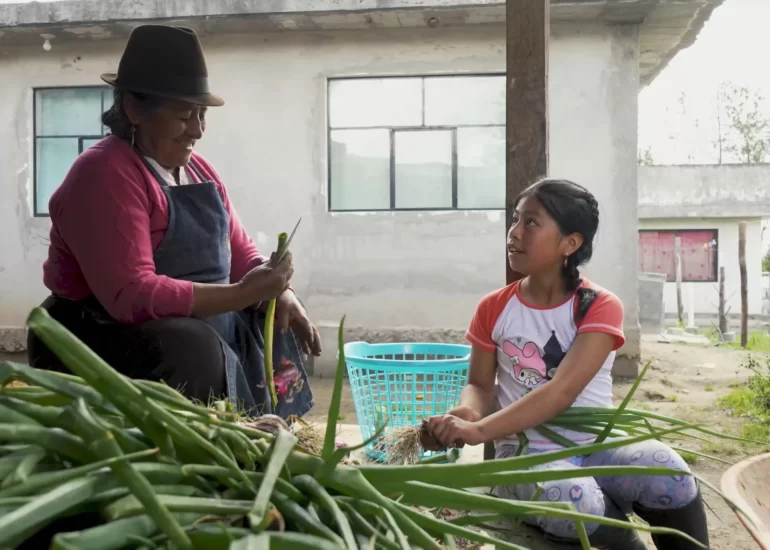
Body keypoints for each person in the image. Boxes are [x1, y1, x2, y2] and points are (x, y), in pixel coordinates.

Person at [27, 24, 320, 419]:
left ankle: (267, 429)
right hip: (97, 337)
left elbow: (242, 256)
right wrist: (241, 294)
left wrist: (279, 290)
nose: (197, 130)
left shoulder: (199, 170)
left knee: (271, 318)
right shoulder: (104, 173)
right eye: (184, 115)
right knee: (192, 346)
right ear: (134, 110)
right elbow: (131, 295)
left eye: (202, 115)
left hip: (194, 325)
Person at [423, 179, 709, 549]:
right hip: (524, 454)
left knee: (669, 474)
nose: (514, 232)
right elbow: (479, 385)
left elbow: (561, 391)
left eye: (530, 222)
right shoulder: (494, 307)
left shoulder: (598, 305)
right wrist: (467, 413)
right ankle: (627, 544)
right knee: (572, 500)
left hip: (596, 442)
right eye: (515, 219)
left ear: (569, 244)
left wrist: (479, 431)